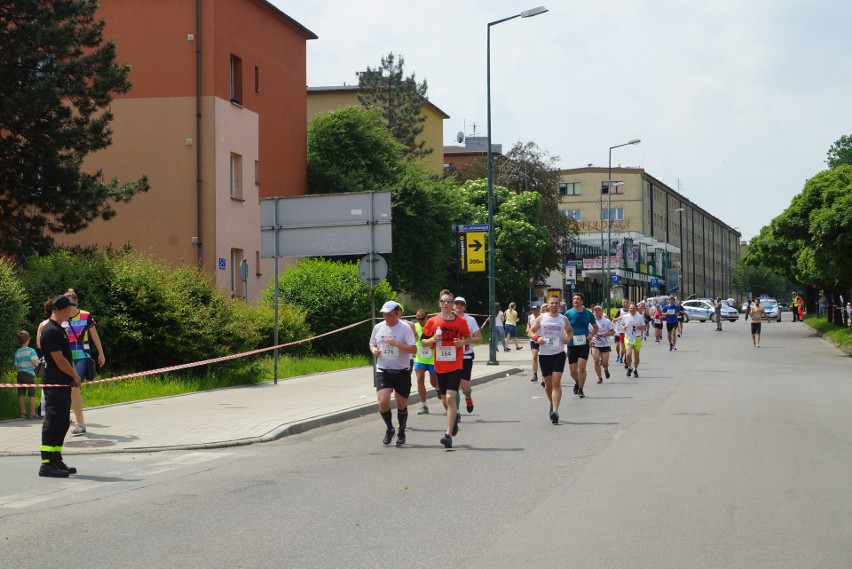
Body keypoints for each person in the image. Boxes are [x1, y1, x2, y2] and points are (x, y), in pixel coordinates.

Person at [421, 290, 471, 449]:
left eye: (450, 301)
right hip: (440, 365)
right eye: (444, 301)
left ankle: (448, 436)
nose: (447, 304)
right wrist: (432, 340)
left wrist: (461, 343)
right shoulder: (432, 322)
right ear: (440, 304)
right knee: (444, 400)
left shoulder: (460, 322)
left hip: (456, 365)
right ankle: (453, 417)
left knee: (450, 398)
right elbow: (422, 342)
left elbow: (469, 338)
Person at [38, 295, 82, 477]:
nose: (71, 311)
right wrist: (74, 374)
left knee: (62, 421)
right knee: (53, 421)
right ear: (64, 310)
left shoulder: (59, 329)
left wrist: (71, 376)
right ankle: (47, 463)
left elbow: (66, 357)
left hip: (62, 382)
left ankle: (56, 458)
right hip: (55, 381)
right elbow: (58, 359)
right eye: (70, 308)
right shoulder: (50, 330)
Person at [369, 301, 417, 446]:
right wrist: (374, 351)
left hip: (401, 371)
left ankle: (401, 431)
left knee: (401, 405)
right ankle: (390, 429)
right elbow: (371, 343)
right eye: (384, 314)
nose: (387, 317)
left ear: (397, 313)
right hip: (383, 370)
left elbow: (413, 349)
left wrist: (397, 344)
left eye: (389, 314)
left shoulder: (405, 328)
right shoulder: (378, 327)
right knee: (383, 401)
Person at [62, 289, 106, 435]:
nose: (68, 306)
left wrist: (101, 353)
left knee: (74, 386)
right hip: (67, 358)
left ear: (76, 302)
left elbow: (94, 335)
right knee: (66, 389)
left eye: (70, 303)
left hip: (82, 356)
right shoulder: (62, 318)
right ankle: (67, 419)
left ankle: (80, 423)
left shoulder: (86, 315)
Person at [529, 295, 570, 424]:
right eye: (552, 303)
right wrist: (537, 338)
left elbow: (569, 331)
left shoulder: (563, 319)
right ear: (548, 305)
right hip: (545, 354)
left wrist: (568, 338)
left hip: (558, 353)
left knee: (556, 382)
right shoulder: (542, 318)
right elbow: (530, 331)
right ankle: (552, 404)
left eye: (556, 303)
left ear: (559, 305)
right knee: (548, 384)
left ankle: (555, 411)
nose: (554, 305)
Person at [565, 292, 598, 399]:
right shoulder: (568, 314)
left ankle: (581, 389)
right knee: (573, 371)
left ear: (582, 301)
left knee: (582, 367)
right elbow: (562, 327)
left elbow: (595, 327)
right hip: (571, 344)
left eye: (578, 299)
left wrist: (591, 335)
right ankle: (577, 381)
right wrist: (565, 336)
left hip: (584, 343)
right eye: (574, 299)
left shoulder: (588, 314)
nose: (575, 301)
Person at [453, 297, 482, 416]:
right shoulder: (448, 319)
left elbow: (479, 338)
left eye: (461, 304)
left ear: (465, 307)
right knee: (454, 386)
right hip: (452, 357)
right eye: (456, 303)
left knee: (464, 386)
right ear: (453, 305)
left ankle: (468, 396)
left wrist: (465, 341)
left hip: (466, 356)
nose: (459, 305)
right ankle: (457, 411)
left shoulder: (471, 320)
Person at [412, 308, 438, 415]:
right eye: (417, 319)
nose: (420, 321)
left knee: (433, 382)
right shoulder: (415, 326)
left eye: (422, 319)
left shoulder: (433, 326)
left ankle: (438, 388)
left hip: (432, 359)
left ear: (427, 317)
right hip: (420, 358)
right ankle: (424, 405)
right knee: (419, 379)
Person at [14, 330, 40, 420]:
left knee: (21, 394)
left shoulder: (17, 352)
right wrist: (37, 362)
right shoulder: (31, 351)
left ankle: (23, 412)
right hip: (29, 374)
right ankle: (32, 413)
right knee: (31, 394)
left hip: (20, 374)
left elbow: (16, 365)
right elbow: (34, 363)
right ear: (28, 339)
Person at [620, 303, 646, 378]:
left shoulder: (640, 317)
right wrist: (623, 327)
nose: (631, 310)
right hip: (629, 337)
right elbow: (621, 324)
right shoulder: (625, 316)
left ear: (636, 309)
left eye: (633, 308)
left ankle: (635, 369)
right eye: (630, 308)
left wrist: (639, 327)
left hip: (637, 337)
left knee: (636, 355)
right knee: (628, 354)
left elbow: (644, 326)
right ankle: (629, 367)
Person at [590, 305, 614, 384]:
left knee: (604, 363)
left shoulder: (606, 321)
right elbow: (588, 332)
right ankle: (599, 377)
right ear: (593, 312)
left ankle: (606, 369)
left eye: (599, 310)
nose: (597, 312)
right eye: (595, 310)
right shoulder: (591, 322)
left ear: (602, 311)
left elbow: (613, 332)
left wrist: (606, 334)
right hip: (595, 344)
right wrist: (591, 338)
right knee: (596, 360)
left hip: (605, 344)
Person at [613, 299, 630, 365]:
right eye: (624, 302)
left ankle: (624, 357)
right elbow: (613, 320)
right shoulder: (620, 311)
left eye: (626, 302)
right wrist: (619, 318)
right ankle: (619, 355)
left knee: (624, 345)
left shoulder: (630, 311)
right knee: (617, 346)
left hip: (626, 332)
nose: (625, 303)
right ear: (622, 304)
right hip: (618, 331)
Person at [528, 302, 542, 384]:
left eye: (536, 309)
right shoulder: (530, 317)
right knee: (534, 356)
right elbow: (529, 327)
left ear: (539, 309)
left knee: (542, 357)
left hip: (542, 339)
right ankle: (535, 374)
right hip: (534, 339)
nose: (535, 311)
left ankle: (544, 374)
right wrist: (528, 331)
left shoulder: (543, 317)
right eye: (533, 310)